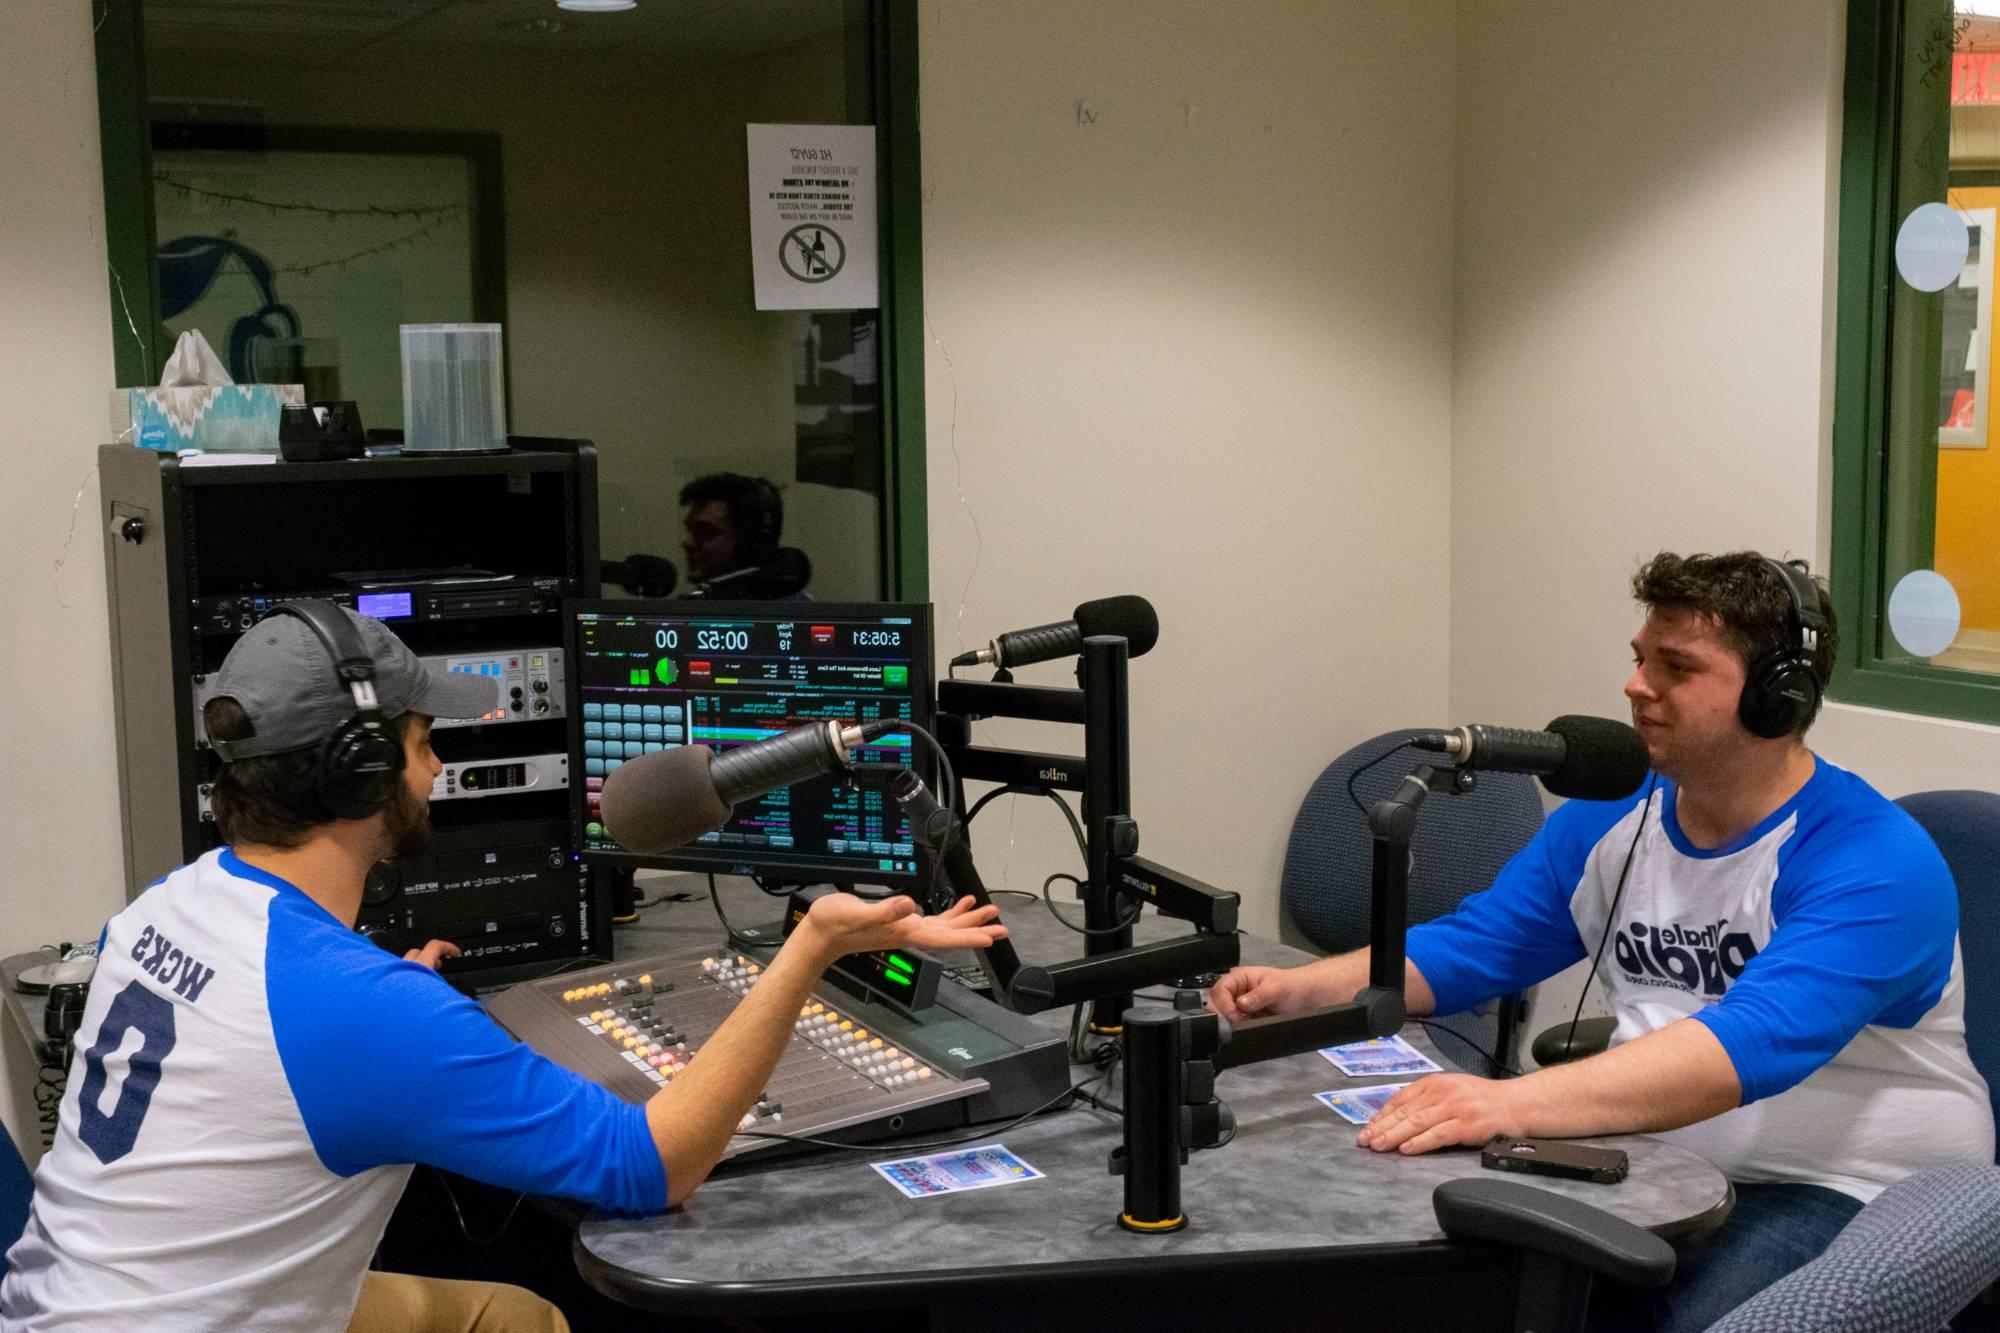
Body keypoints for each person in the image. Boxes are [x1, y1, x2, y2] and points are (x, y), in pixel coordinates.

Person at [0, 602, 1004, 1331]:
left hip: (64, 1309)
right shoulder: (363, 1013)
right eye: (424, 740)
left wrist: (379, 994)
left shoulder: (165, 906)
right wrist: (811, 947)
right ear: (365, 768)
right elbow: (647, 1169)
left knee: (511, 1316)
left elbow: (270, 1040)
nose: (436, 768)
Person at [1211, 551, 1994, 1332]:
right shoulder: (1614, 816)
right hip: (1659, 1157)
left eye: (1676, 666)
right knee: (1450, 1291)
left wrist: (1506, 1101)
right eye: (1639, 658)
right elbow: (1483, 942)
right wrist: (1308, 987)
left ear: (1776, 697)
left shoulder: (1873, 860)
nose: (1636, 685)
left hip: (1844, 1186)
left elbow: (1748, 1044)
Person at [679, 472, 785, 588]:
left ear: (751, 545)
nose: (686, 542)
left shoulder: (794, 606)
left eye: (705, 532)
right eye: (689, 529)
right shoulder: (700, 601)